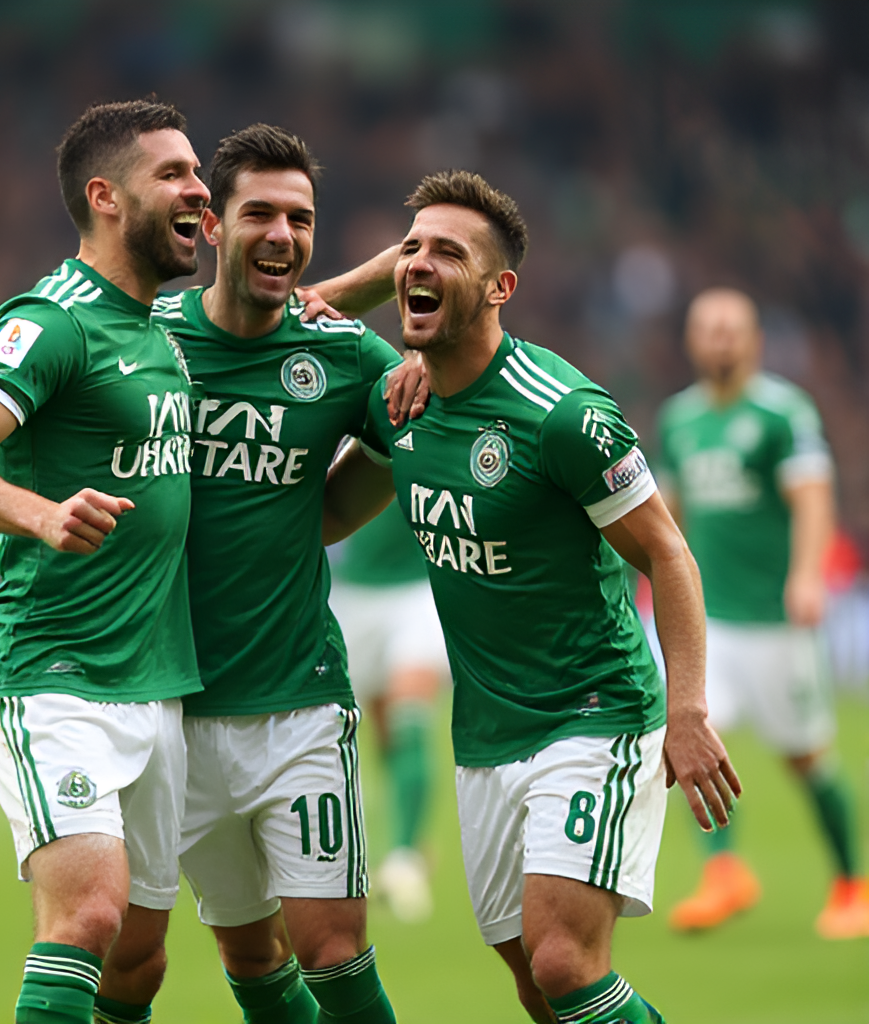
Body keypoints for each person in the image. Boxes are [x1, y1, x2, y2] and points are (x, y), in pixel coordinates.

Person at [322, 170, 742, 1024]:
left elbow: (668, 553)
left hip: (594, 713)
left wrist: (688, 709)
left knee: (564, 962)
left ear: (500, 287)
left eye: (449, 252)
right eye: (411, 249)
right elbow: (328, 513)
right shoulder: (399, 405)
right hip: (484, 735)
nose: (420, 265)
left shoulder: (563, 414)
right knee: (533, 982)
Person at [0, 99, 209, 1024]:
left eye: (199, 172)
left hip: (158, 682)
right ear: (105, 197)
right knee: (87, 915)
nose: (201, 189)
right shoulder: (55, 321)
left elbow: (287, 297)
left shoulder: (162, 323)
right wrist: (40, 513)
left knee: (140, 961)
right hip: (57, 674)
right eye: (174, 175)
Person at [155, 124, 407, 1024]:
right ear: (214, 226)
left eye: (300, 218)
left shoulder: (341, 354)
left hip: (298, 702)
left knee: (333, 951)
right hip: (170, 712)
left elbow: (403, 435)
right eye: (259, 212)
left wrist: (327, 505)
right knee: (250, 955)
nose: (283, 234)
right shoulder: (148, 340)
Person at [656, 288, 869, 939]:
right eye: (707, 328)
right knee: (697, 739)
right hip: (711, 621)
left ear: (753, 340)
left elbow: (811, 496)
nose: (719, 339)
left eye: (731, 329)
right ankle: (724, 873)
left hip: (777, 621)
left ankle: (851, 885)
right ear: (692, 340)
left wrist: (808, 576)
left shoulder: (782, 412)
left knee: (807, 758)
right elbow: (669, 514)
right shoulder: (678, 419)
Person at [329, 498, 448, 922]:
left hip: (418, 588)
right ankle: (401, 844)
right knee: (373, 729)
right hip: (349, 591)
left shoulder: (423, 430)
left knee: (408, 710)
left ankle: (404, 860)